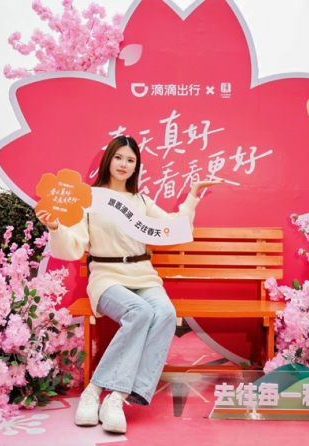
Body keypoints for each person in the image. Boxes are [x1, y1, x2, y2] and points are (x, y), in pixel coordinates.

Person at [36, 135, 221, 434]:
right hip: (107, 277)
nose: (124, 164)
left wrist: (193, 194)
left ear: (136, 167)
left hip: (144, 275)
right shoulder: (90, 199)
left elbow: (174, 227)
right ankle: (95, 390)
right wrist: (56, 227)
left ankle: (115, 398)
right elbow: (72, 247)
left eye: (131, 160)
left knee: (165, 313)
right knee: (140, 312)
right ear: (108, 159)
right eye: (119, 157)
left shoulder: (142, 202)